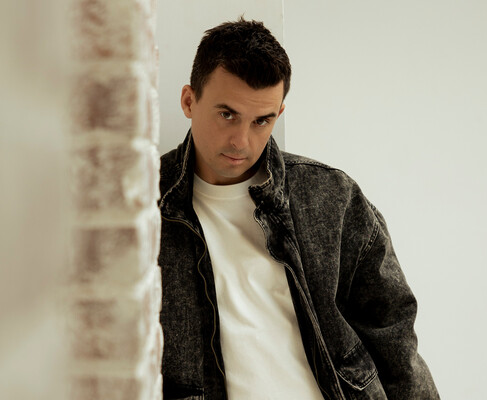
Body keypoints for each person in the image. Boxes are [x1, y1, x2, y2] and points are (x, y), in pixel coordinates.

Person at [158, 18, 439, 400]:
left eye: (262, 121)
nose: (241, 141)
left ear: (279, 113)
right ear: (189, 101)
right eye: (227, 115)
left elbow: (394, 338)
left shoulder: (330, 196)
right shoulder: (142, 208)